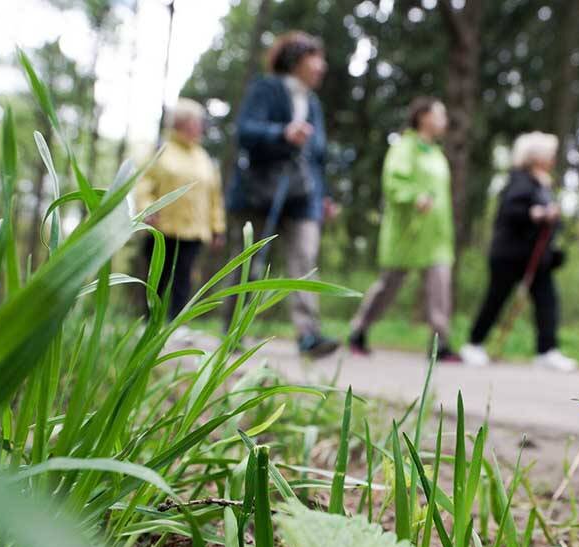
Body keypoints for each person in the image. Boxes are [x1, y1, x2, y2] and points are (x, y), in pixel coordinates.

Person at [222, 31, 339, 358]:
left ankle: (308, 334)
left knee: (304, 258)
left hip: (302, 193)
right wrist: (282, 133)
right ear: (295, 60)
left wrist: (325, 194)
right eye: (315, 58)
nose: (322, 66)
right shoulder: (266, 88)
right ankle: (234, 327)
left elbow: (317, 156)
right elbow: (244, 131)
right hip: (261, 191)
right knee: (247, 261)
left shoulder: (313, 103)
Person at [348, 97, 460, 362]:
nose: (445, 121)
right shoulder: (404, 147)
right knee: (389, 286)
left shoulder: (437, 153)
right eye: (440, 114)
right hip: (407, 231)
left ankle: (440, 343)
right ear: (423, 117)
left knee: (440, 287)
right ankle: (359, 330)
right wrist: (414, 196)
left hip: (436, 235)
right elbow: (393, 182)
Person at [460, 132, 578, 372]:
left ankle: (547, 350)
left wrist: (552, 218)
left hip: (537, 257)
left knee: (547, 301)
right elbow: (510, 212)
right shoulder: (519, 180)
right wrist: (535, 214)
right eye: (549, 154)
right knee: (496, 298)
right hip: (509, 254)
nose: (553, 158)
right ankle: (473, 344)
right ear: (535, 156)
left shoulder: (543, 182)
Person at [135, 98, 226, 322]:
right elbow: (144, 186)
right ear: (181, 123)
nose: (200, 127)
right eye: (196, 122)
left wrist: (217, 229)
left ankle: (177, 323)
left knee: (184, 278)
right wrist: (146, 210)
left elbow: (214, 196)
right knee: (157, 277)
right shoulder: (161, 151)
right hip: (162, 228)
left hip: (194, 231)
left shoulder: (203, 158)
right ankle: (149, 322)